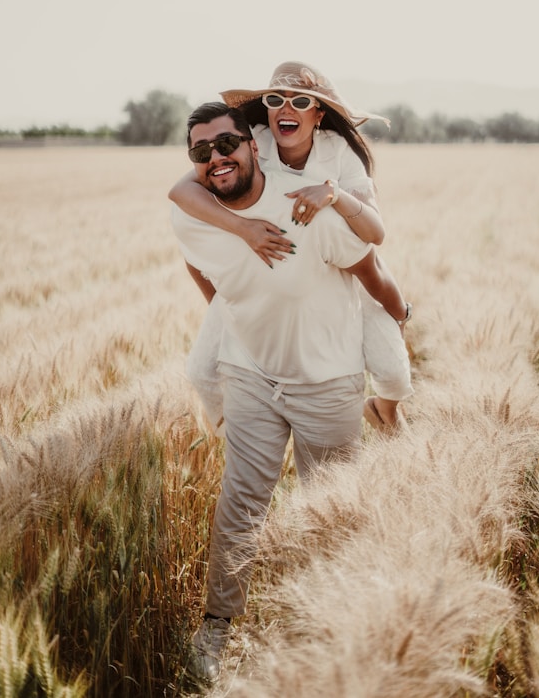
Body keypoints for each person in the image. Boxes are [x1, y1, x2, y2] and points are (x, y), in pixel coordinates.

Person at [170, 101, 414, 681]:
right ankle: (218, 627)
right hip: (250, 374)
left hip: (327, 381)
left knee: (327, 512)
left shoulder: (310, 210)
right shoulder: (193, 217)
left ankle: (327, 625)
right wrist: (237, 312)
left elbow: (371, 269)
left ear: (254, 146)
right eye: (201, 153)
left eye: (226, 146)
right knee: (239, 505)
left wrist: (400, 316)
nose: (216, 160)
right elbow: (198, 265)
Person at [169, 61, 413, 434]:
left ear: (318, 114)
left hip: (338, 268)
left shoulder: (339, 154)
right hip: (265, 270)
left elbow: (374, 236)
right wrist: (243, 230)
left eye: (301, 101)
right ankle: (245, 436)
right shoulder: (253, 140)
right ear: (264, 108)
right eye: (275, 99)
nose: (286, 108)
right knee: (202, 371)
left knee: (395, 373)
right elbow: (181, 192)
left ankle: (383, 411)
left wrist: (334, 193)